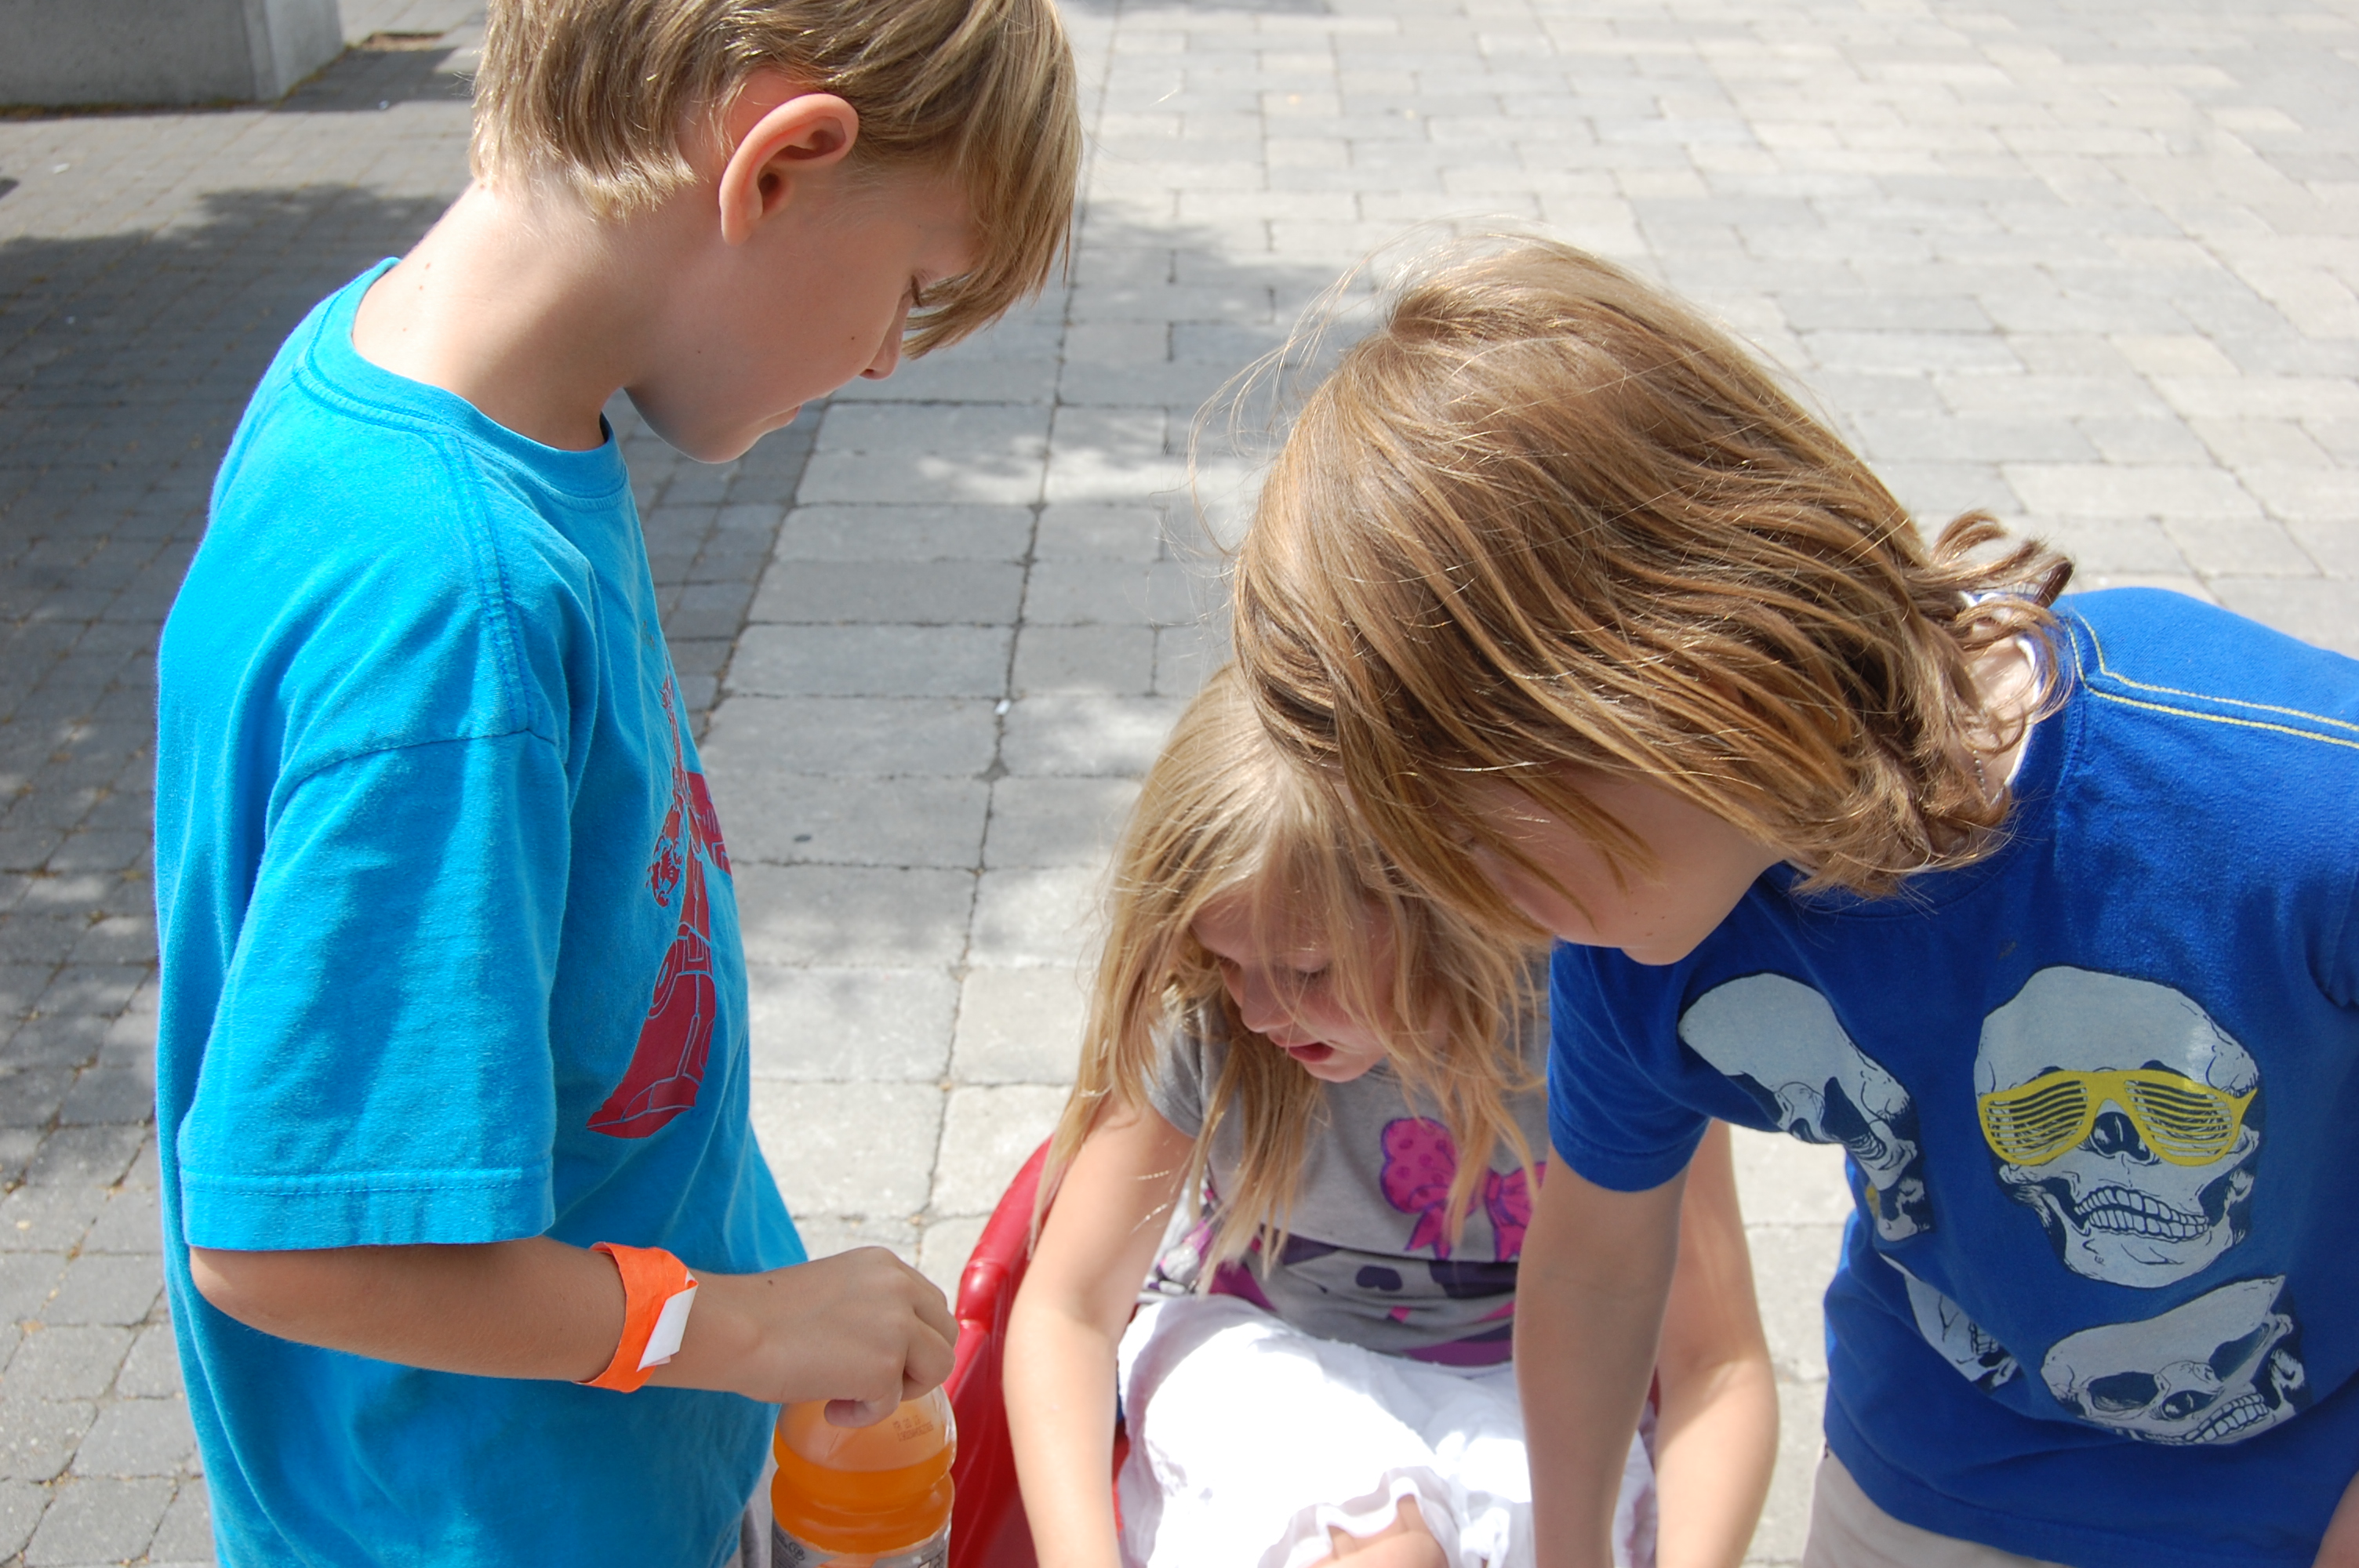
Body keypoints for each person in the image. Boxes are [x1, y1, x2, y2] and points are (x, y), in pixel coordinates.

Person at [1226, 236, 2359, 1568]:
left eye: (1469, 832)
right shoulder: (1638, 940)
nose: (1479, 909)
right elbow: (1593, 1267)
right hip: (1938, 1463)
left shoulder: (2287, 805)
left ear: (1667, 669)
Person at [150, 2, 1078, 1563]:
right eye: (912, 289)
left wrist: (750, 1284)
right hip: (504, 1520)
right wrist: (736, 1326)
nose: (879, 357)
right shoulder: (455, 602)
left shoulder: (395, 376)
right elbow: (290, 1243)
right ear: (779, 165)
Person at [1005, 666, 1776, 1568]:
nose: (1257, 1008)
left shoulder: (1598, 1024)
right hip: (1265, 1357)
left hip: (1525, 1396)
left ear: (1435, 903)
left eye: (1306, 969)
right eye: (1227, 961)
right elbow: (1068, 1307)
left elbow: (1714, 1364)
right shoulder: (1212, 1021)